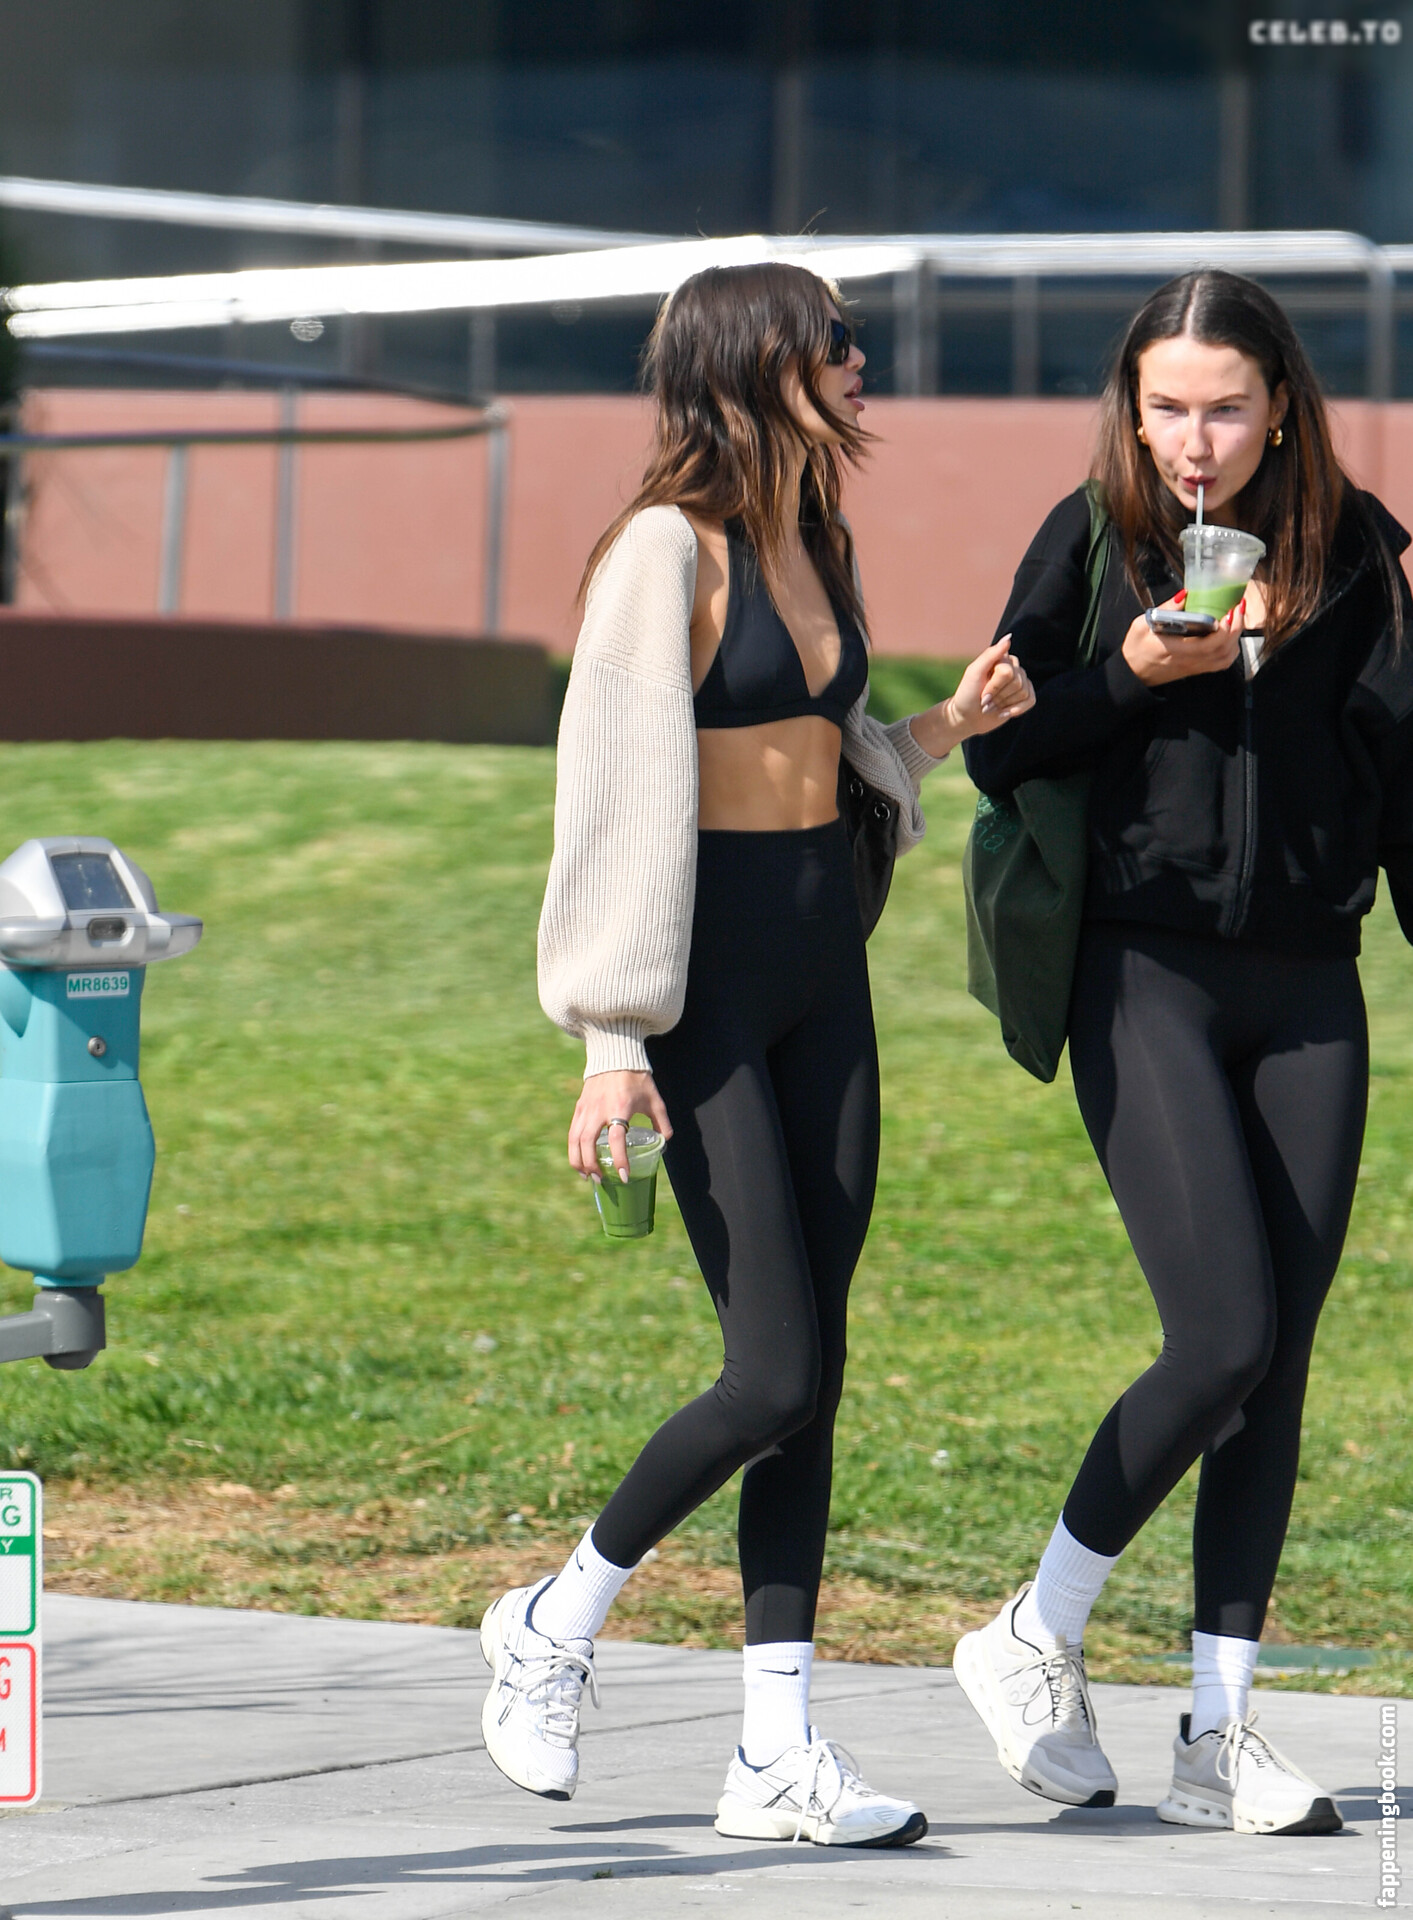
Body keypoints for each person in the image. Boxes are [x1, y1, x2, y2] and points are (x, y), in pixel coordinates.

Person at [479, 260, 1034, 1844]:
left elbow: (815, 758)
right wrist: (610, 1040)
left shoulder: (814, 531)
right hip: (703, 992)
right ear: (754, 362)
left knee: (817, 1376)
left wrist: (940, 733)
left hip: (818, 974)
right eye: (835, 341)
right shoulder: (662, 548)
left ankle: (773, 1752)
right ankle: (552, 1622)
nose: (860, 361)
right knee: (769, 1370)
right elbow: (611, 793)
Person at [958, 268, 1413, 1837]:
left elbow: (1400, 785)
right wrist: (1127, 680)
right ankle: (1035, 1628)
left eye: (1225, 407)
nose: (1194, 439)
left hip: (1310, 989)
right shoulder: (1092, 537)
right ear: (1132, 409)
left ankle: (1220, 1732)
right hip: (1139, 969)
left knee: (1275, 1365)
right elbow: (1001, 750)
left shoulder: (1356, 556)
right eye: (1167, 408)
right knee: (1219, 1334)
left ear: (1280, 406)